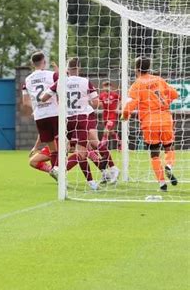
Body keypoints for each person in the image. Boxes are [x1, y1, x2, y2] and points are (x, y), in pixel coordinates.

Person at [42, 57, 119, 190]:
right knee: (82, 153)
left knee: (75, 150)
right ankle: (59, 169)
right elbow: (95, 103)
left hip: (65, 121)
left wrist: (61, 100)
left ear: (67, 68)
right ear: (79, 68)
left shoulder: (60, 82)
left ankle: (92, 182)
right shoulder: (85, 82)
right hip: (81, 120)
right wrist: (86, 103)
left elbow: (44, 98)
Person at [121, 57, 179, 191]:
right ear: (149, 67)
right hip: (165, 119)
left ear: (136, 69)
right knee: (169, 147)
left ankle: (162, 184)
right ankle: (169, 165)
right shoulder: (159, 79)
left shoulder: (137, 85)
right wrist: (165, 103)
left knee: (154, 154)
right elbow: (175, 94)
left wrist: (124, 116)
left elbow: (131, 104)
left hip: (150, 122)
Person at [22, 51, 59, 178]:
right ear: (44, 61)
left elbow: (25, 102)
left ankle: (57, 173)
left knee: (54, 150)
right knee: (67, 144)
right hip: (54, 112)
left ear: (32, 63)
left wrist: (36, 107)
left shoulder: (27, 80)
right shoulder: (52, 75)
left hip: (40, 115)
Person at [99, 81, 121, 149]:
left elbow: (120, 100)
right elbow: (99, 104)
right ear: (103, 87)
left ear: (111, 87)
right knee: (111, 132)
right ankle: (120, 143)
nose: (107, 87)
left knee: (106, 130)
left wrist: (117, 108)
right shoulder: (102, 95)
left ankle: (101, 146)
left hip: (112, 115)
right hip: (105, 115)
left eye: (108, 85)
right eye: (105, 86)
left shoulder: (114, 95)